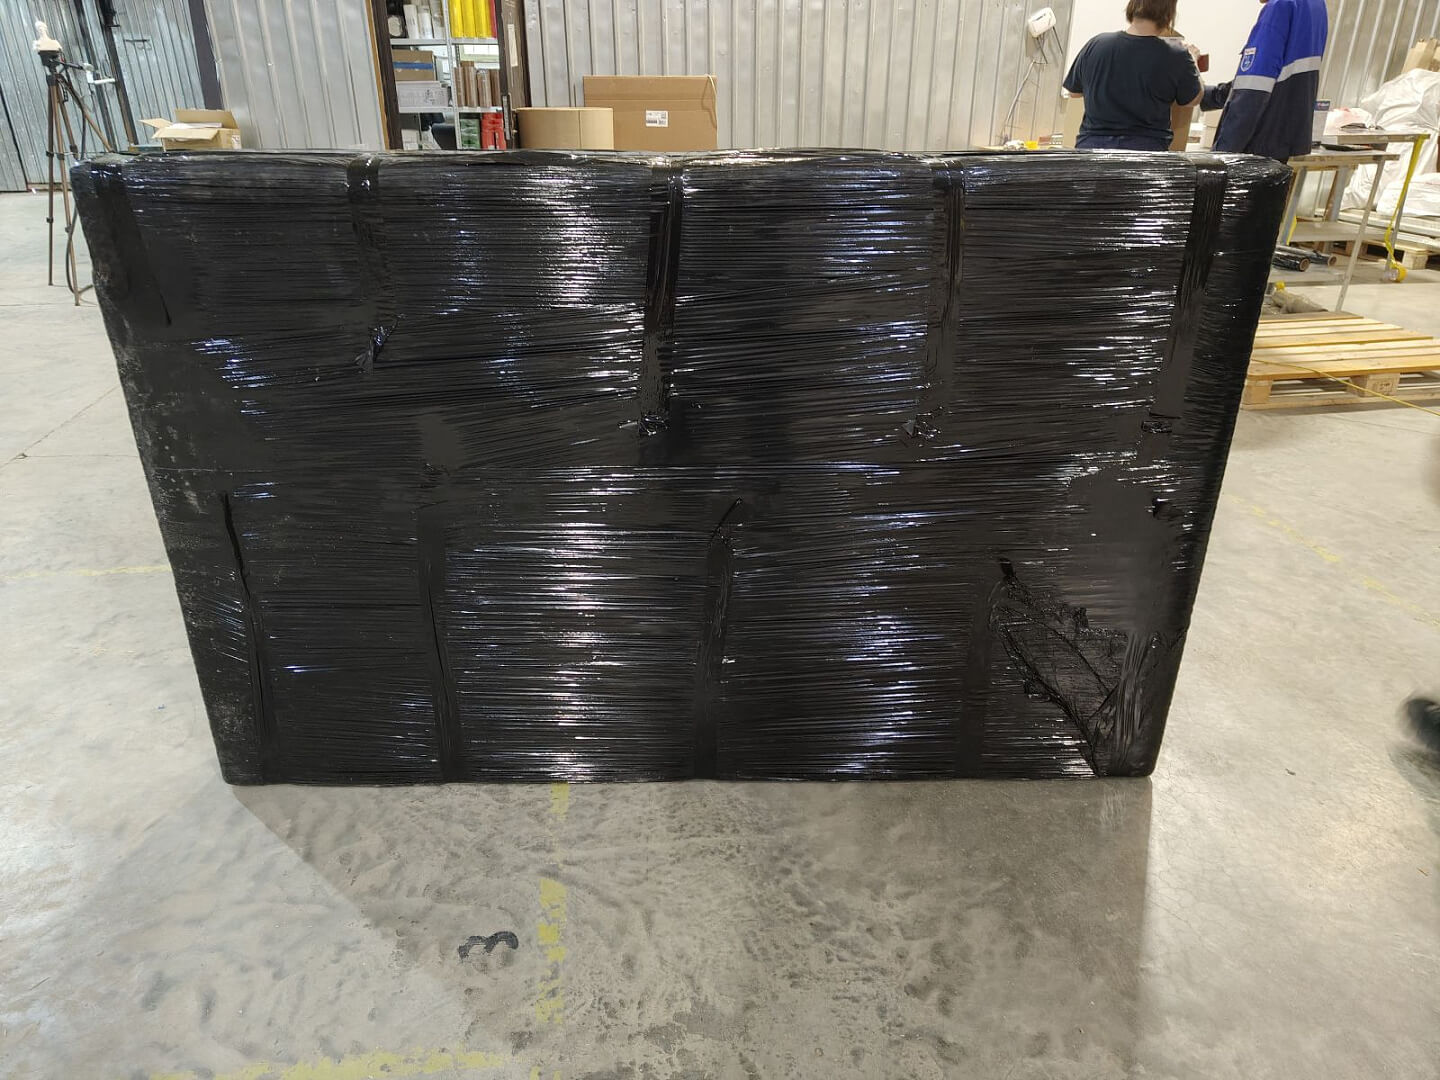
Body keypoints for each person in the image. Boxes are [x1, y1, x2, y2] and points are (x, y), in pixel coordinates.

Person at [1063, 0, 1203, 151]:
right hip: (1145, 152)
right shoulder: (1176, 55)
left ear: (1132, 7)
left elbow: (1074, 93)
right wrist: (1194, 62)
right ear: (1169, 14)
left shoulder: (1096, 44)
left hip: (1092, 149)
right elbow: (1192, 99)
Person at [1202, 0, 1328, 160]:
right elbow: (1269, 79)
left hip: (1256, 146)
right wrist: (1204, 94)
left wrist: (1219, 158)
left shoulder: (1279, 8)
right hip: (1280, 143)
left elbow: (1253, 92)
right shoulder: (1315, 6)